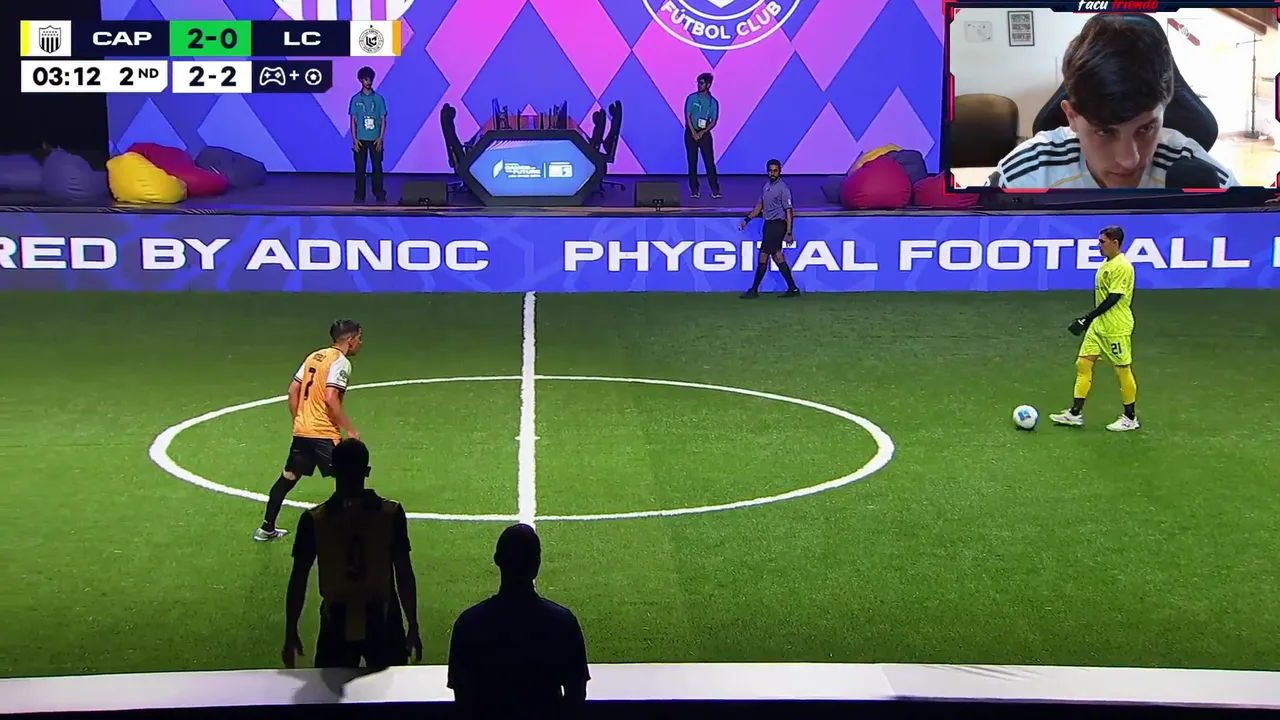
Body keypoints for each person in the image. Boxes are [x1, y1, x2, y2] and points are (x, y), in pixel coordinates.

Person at [989, 15, 1237, 190]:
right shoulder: (1024, 177)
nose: (1130, 160)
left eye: (1146, 128)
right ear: (1072, 116)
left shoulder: (1201, 175)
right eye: (1104, 131)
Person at [282, 438, 423, 669]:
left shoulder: (314, 519)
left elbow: (299, 578)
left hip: (336, 620)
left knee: (330, 690)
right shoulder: (390, 513)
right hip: (383, 619)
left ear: (332, 470)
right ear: (367, 471)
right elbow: (404, 571)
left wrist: (290, 630)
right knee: (392, 688)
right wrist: (413, 624)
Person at [447, 524, 589, 718]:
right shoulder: (563, 623)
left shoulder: (468, 625)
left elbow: (463, 702)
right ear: (537, 564)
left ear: (497, 560)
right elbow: (576, 697)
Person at [255, 319, 363, 542]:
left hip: (302, 431)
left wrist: (300, 419)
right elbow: (331, 397)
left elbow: (292, 391)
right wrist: (351, 430)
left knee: (288, 477)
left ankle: (266, 528)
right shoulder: (340, 362)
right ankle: (348, 533)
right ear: (351, 340)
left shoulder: (314, 356)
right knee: (350, 477)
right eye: (359, 339)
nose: (361, 344)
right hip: (323, 432)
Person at [1050, 226, 1139, 432]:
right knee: (1083, 364)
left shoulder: (1122, 266)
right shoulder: (1108, 263)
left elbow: (1113, 298)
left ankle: (1130, 418)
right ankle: (1074, 414)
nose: (1099, 245)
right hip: (1099, 326)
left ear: (1115, 243)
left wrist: (1085, 319)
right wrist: (1091, 322)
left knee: (1122, 370)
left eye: (1102, 242)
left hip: (1115, 327)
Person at [738, 159, 800, 298]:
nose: (772, 173)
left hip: (777, 225)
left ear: (779, 171)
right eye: (770, 171)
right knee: (777, 256)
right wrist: (747, 219)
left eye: (775, 171)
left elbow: (789, 211)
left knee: (764, 255)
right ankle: (793, 288)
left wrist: (789, 232)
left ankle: (754, 290)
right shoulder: (766, 187)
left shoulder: (783, 189)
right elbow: (759, 206)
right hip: (768, 225)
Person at [350, 66, 388, 203]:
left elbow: (383, 120)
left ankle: (379, 193)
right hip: (360, 139)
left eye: (370, 79)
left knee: (377, 168)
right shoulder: (356, 99)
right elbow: (353, 120)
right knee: (360, 169)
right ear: (361, 80)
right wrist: (354, 139)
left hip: (375, 139)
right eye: (366, 79)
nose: (369, 82)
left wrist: (380, 138)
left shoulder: (379, 99)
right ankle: (359, 195)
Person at [684, 72, 721, 200]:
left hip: (704, 134)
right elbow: (688, 116)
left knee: (709, 162)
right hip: (690, 132)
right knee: (692, 162)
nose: (699, 85)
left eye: (702, 83)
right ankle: (694, 190)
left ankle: (715, 189)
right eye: (698, 83)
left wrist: (702, 132)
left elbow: (714, 121)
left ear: (708, 85)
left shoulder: (713, 102)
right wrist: (694, 132)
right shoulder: (691, 98)